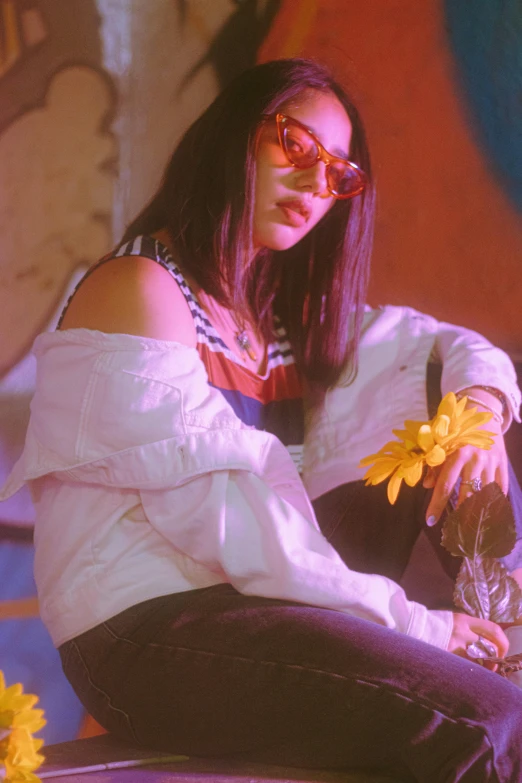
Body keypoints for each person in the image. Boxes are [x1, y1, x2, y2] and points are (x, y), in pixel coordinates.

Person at [2, 58, 522, 782]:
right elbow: (230, 524)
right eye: (296, 145)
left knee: (447, 405)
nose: (316, 183)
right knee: (488, 720)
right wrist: (417, 626)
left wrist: (485, 413)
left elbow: (450, 348)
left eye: (339, 174)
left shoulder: (274, 326)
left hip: (251, 599)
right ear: (231, 137)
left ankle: (509, 626)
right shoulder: (143, 290)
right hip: (145, 633)